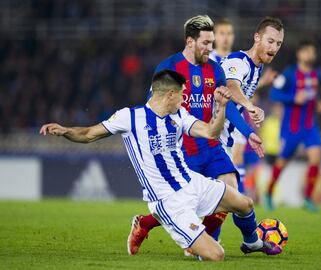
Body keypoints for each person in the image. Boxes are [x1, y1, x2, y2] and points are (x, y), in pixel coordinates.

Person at [39, 70, 282, 261]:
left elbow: (210, 132)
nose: (185, 98)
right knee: (216, 255)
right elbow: (89, 133)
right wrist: (65, 131)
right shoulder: (129, 117)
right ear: (170, 95)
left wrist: (220, 109)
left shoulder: (179, 115)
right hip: (169, 201)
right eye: (182, 94)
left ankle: (252, 243)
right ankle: (178, 234)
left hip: (192, 183)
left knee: (245, 203)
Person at [129, 15, 265, 254]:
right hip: (181, 150)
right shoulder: (168, 67)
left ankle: (207, 245)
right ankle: (145, 223)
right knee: (183, 204)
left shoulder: (215, 69)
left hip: (211, 145)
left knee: (230, 193)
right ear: (189, 41)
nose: (210, 48)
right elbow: (152, 106)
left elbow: (228, 104)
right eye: (205, 43)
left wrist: (248, 132)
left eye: (212, 42)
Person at [219, 16, 284, 191]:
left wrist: (248, 131)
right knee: (232, 198)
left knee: (226, 199)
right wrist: (251, 106)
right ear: (257, 37)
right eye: (270, 41)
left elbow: (238, 96)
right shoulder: (238, 61)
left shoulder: (257, 67)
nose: (274, 48)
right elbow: (231, 88)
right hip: (209, 136)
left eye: (278, 43)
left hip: (225, 136)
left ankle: (148, 220)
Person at [266, 40, 321, 212]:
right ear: (299, 54)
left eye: (313, 52)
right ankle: (269, 193)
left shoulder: (314, 75)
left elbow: (312, 95)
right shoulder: (290, 74)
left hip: (309, 127)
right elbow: (274, 94)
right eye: (307, 52)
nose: (311, 55)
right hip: (291, 128)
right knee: (281, 164)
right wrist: (293, 98)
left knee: (316, 156)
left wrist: (319, 103)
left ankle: (307, 199)